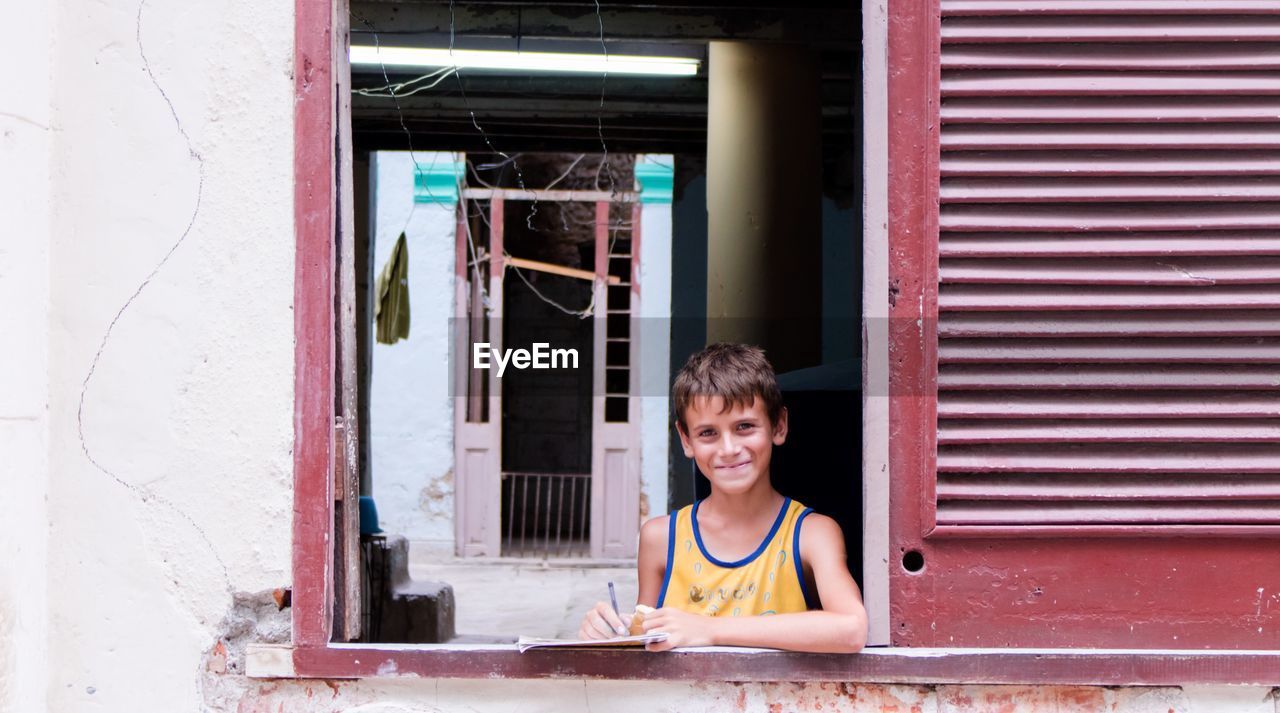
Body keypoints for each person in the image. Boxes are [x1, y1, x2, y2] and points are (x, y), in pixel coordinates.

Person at [578, 343, 867, 653]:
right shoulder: (661, 538)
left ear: (779, 426)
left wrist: (710, 630)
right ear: (686, 440)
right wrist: (610, 633)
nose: (728, 448)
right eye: (708, 433)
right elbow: (645, 641)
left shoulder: (810, 534)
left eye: (744, 427)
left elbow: (850, 628)